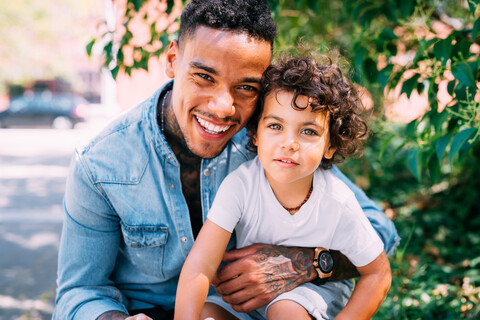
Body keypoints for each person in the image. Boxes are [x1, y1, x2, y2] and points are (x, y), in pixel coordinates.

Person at [53, 1, 399, 319]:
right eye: (204, 77)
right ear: (173, 60)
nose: (223, 107)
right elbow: (80, 290)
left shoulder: (272, 146)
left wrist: (305, 263)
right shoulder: (100, 163)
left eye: (246, 87)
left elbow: (378, 233)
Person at [174, 54, 392, 320]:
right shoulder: (240, 185)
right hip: (252, 301)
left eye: (308, 131)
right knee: (206, 312)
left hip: (312, 294)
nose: (289, 143)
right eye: (275, 126)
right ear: (255, 134)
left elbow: (378, 273)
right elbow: (202, 263)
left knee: (285, 310)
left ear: (330, 145)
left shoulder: (337, 201)